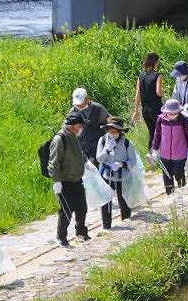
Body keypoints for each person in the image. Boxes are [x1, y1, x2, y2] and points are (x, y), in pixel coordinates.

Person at [48, 112, 89, 247]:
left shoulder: (73, 136)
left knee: (82, 208)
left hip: (77, 180)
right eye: (79, 126)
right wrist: (57, 181)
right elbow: (53, 163)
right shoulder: (60, 140)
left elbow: (79, 155)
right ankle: (61, 237)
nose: (81, 128)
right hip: (65, 182)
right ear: (71, 126)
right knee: (66, 212)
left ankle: (81, 233)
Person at [96, 117, 137, 229]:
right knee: (106, 201)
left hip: (122, 176)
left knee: (123, 199)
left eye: (114, 132)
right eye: (110, 131)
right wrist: (107, 149)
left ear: (120, 131)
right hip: (106, 175)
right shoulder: (103, 141)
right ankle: (106, 227)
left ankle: (126, 222)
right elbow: (99, 159)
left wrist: (122, 164)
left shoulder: (127, 143)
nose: (112, 134)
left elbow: (133, 161)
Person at [152, 99, 188, 194]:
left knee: (178, 173)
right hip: (165, 154)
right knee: (167, 176)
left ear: (179, 112)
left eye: (174, 113)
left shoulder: (184, 120)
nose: (171, 116)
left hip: (180, 153)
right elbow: (157, 135)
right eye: (169, 113)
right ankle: (170, 195)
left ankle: (183, 191)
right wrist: (155, 149)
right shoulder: (161, 119)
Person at [68, 87, 111, 166]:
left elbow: (111, 123)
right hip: (80, 148)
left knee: (92, 168)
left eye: (81, 103)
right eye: (77, 104)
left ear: (87, 99)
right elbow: (67, 129)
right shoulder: (73, 111)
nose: (79, 106)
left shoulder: (98, 109)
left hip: (96, 149)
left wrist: (103, 132)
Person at [132, 52, 164, 152]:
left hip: (145, 110)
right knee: (159, 132)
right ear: (155, 62)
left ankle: (150, 155)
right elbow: (158, 93)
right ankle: (159, 156)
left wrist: (136, 110)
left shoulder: (141, 75)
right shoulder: (158, 75)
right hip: (156, 109)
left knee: (151, 132)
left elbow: (137, 94)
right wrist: (164, 92)